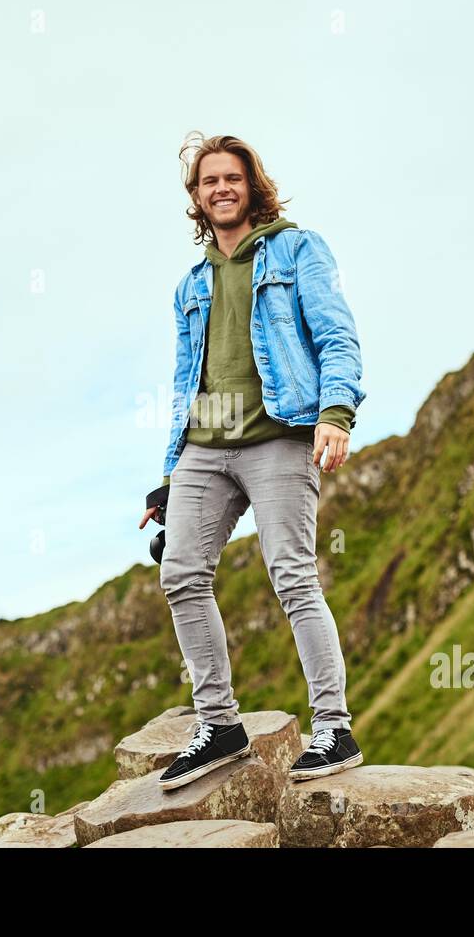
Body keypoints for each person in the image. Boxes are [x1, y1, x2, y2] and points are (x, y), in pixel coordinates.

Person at [138, 132, 366, 791]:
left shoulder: (296, 249)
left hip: (280, 433)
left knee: (292, 576)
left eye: (232, 177)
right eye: (209, 181)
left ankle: (333, 728)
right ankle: (221, 725)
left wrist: (336, 412)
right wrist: (168, 471)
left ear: (252, 184)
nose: (221, 189)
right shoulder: (191, 284)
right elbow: (188, 379)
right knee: (180, 573)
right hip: (205, 447)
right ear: (197, 198)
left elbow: (335, 333)